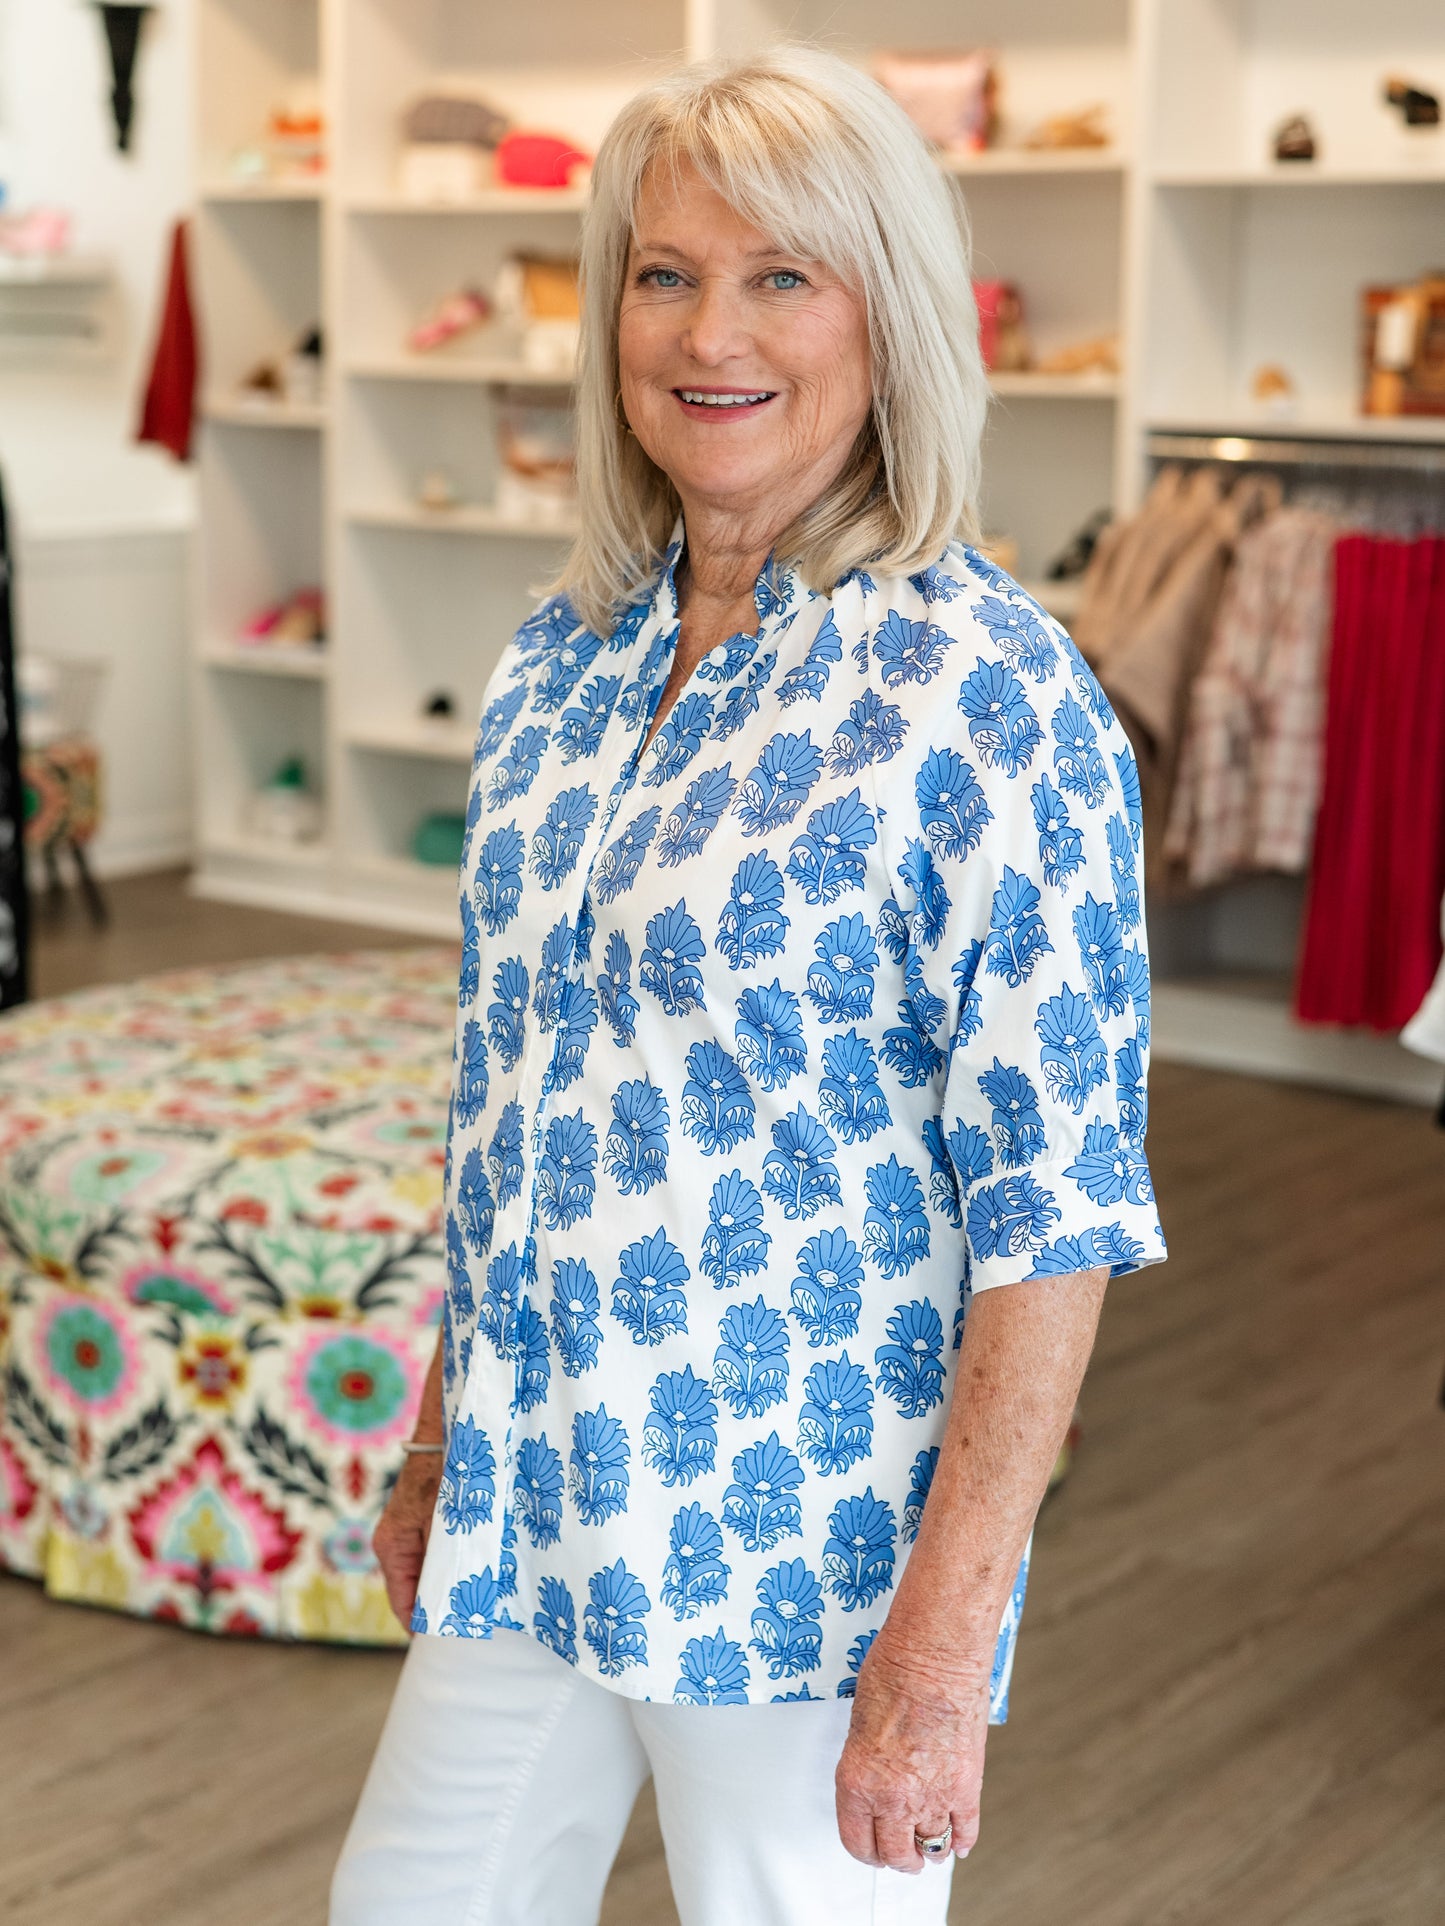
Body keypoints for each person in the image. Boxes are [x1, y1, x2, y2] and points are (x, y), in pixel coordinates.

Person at [331, 44, 1166, 1926]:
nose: (712, 330)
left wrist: (940, 1660)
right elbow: (521, 1095)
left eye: (782, 274)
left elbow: (1059, 1217)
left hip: (801, 1569)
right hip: (537, 1504)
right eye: (662, 272)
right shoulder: (561, 662)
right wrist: (445, 1436)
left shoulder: (988, 694)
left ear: (891, 317)